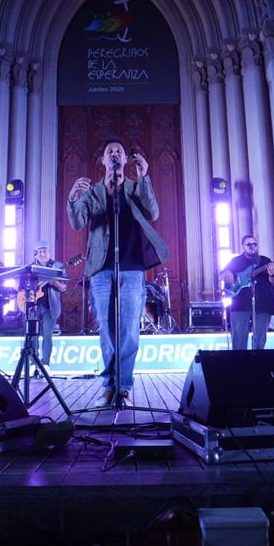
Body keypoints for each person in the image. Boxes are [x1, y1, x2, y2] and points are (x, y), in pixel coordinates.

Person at [68, 138, 168, 405]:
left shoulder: (136, 188)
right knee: (107, 329)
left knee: (128, 330)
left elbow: (153, 212)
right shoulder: (94, 192)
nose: (114, 154)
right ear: (103, 161)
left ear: (125, 160)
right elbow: (78, 222)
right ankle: (109, 385)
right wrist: (73, 199)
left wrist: (145, 177)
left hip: (133, 267)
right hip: (101, 268)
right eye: (109, 151)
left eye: (119, 151)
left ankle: (123, 386)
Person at [220, 235, 274, 350]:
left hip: (263, 303)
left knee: (260, 335)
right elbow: (221, 275)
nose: (252, 246)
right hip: (240, 303)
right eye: (249, 244)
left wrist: (272, 274)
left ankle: (257, 363)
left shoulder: (265, 261)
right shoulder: (235, 261)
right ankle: (239, 364)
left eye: (254, 244)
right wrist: (227, 272)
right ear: (243, 247)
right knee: (239, 335)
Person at [31, 241, 67, 369]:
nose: (43, 254)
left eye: (45, 251)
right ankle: (33, 363)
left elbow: (64, 288)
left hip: (50, 307)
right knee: (32, 336)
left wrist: (54, 283)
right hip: (33, 307)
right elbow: (22, 285)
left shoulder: (57, 266)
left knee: (47, 335)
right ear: (36, 254)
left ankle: (45, 364)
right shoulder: (31, 267)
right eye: (40, 251)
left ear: (49, 252)